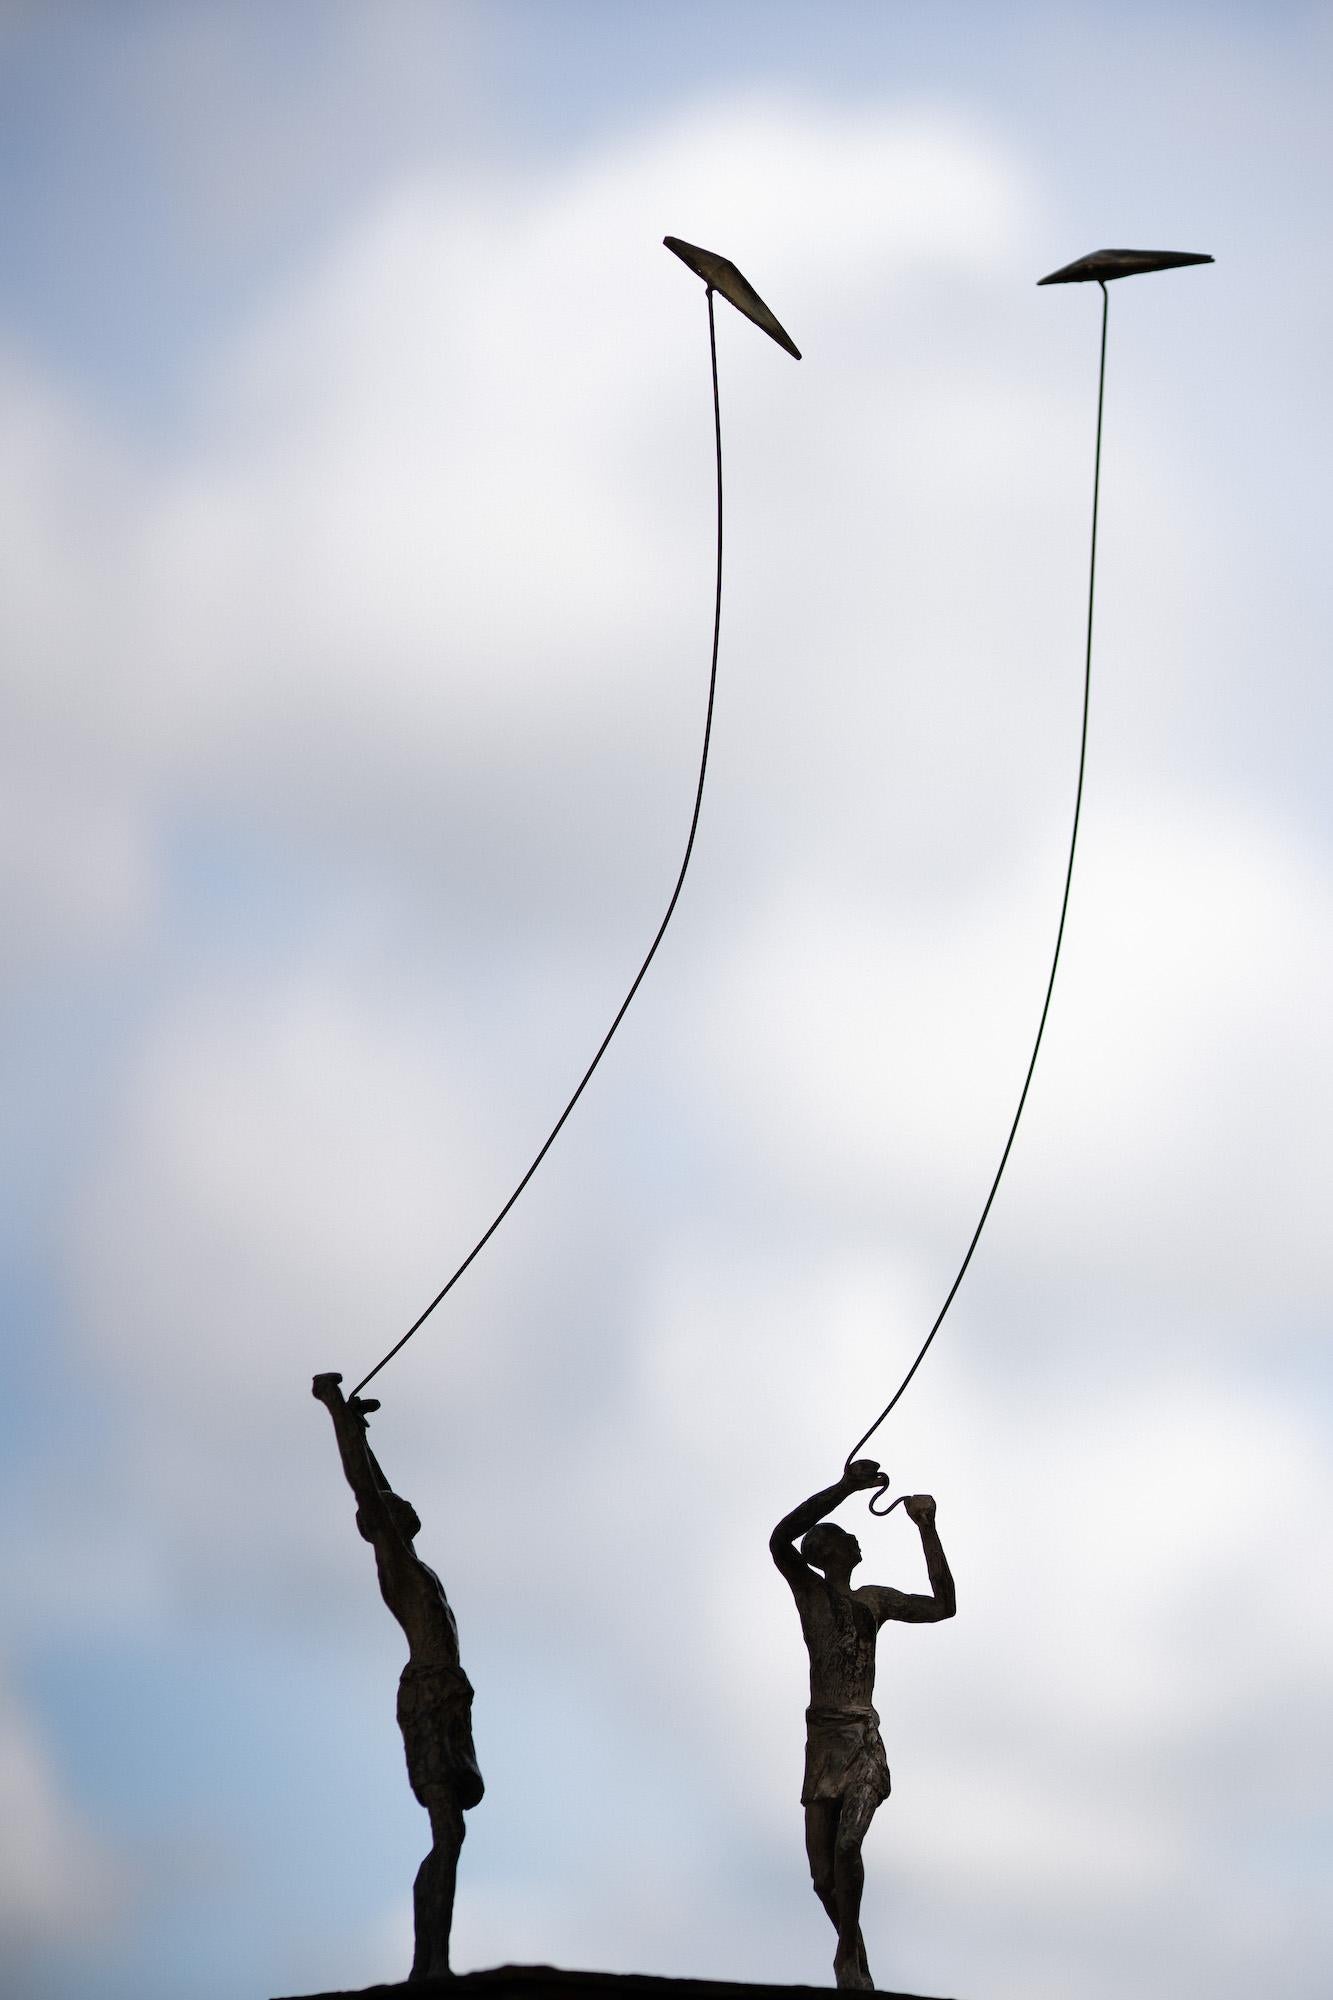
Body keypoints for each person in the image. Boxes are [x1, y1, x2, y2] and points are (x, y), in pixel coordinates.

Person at [313, 1372, 484, 1982]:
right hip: (431, 1693)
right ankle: (429, 1964)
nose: (405, 1503)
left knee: (452, 1833)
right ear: (381, 1524)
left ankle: (430, 1962)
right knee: (447, 1831)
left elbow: (380, 1489)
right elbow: (366, 1489)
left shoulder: (418, 1565)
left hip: (447, 1694)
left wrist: (362, 1431)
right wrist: (336, 1410)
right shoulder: (398, 1564)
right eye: (393, 1507)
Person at [770, 1460, 956, 1991]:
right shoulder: (808, 1592)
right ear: (824, 1551)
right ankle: (858, 1960)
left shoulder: (873, 1602)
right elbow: (781, 1537)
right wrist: (845, 1488)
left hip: (861, 1744)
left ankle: (847, 1960)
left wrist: (927, 1528)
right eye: (846, 1536)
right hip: (822, 1743)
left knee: (848, 1849)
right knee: (823, 1878)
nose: (856, 1541)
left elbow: (944, 1606)